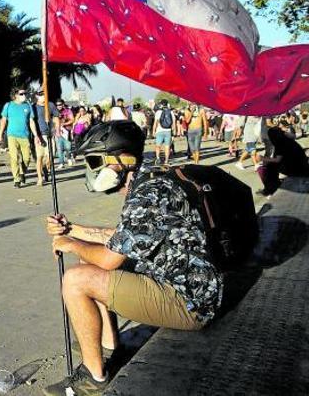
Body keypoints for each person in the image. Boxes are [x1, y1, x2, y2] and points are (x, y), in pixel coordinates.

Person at [42, 121, 221, 395]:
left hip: (189, 300)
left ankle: (93, 379)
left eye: (95, 161)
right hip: (182, 280)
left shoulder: (149, 194)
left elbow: (109, 259)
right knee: (87, 263)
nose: (92, 170)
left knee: (76, 280)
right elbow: (124, 236)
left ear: (124, 159)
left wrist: (72, 243)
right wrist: (72, 230)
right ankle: (109, 348)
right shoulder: (148, 180)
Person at [0, 89, 38, 188]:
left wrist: (36, 135)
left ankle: (22, 172)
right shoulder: (8, 105)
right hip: (11, 135)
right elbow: (3, 120)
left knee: (27, 159)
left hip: (25, 136)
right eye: (21, 94)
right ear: (15, 95)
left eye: (25, 93)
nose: (24, 95)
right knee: (14, 158)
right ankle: (16, 179)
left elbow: (31, 121)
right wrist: (0, 134)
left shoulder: (28, 105)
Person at [257, 127, 309, 196]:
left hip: (297, 169)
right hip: (302, 166)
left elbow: (277, 160)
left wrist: (263, 158)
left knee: (269, 167)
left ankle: (271, 189)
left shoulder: (280, 143)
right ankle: (272, 188)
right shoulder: (287, 139)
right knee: (271, 166)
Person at [32, 92, 60, 186]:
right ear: (36, 96)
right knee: (39, 157)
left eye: (44, 94)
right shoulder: (33, 107)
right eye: (40, 95)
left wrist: (58, 130)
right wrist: (35, 135)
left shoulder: (50, 105)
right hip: (39, 135)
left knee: (50, 157)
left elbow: (56, 118)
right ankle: (40, 178)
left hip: (50, 135)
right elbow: (31, 121)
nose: (42, 96)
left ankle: (46, 167)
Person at [152, 100, 174, 165]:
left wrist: (153, 131)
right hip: (168, 131)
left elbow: (155, 123)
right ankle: (166, 161)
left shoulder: (158, 112)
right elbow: (173, 122)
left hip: (159, 131)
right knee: (167, 147)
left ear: (161, 105)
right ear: (167, 104)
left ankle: (158, 158)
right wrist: (173, 131)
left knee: (158, 146)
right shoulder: (170, 112)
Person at [55, 100, 75, 169]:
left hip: (66, 131)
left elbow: (72, 119)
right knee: (59, 148)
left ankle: (69, 158)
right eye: (57, 105)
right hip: (58, 132)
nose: (59, 106)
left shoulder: (68, 111)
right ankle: (61, 163)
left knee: (68, 147)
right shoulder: (54, 112)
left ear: (63, 104)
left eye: (60, 104)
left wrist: (64, 124)